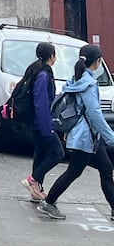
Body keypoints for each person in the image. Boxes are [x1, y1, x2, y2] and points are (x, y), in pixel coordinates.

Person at [38, 44, 114, 220]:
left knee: (105, 168)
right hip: (85, 137)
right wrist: (110, 137)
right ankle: (48, 202)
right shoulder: (89, 84)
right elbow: (94, 114)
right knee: (74, 171)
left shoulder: (75, 80)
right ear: (98, 61)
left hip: (85, 136)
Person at [20, 42, 64, 202]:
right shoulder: (43, 75)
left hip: (38, 123)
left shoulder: (38, 70)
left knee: (40, 154)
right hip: (42, 123)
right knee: (58, 153)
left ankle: (36, 191)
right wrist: (48, 128)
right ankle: (33, 179)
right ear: (52, 56)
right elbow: (41, 104)